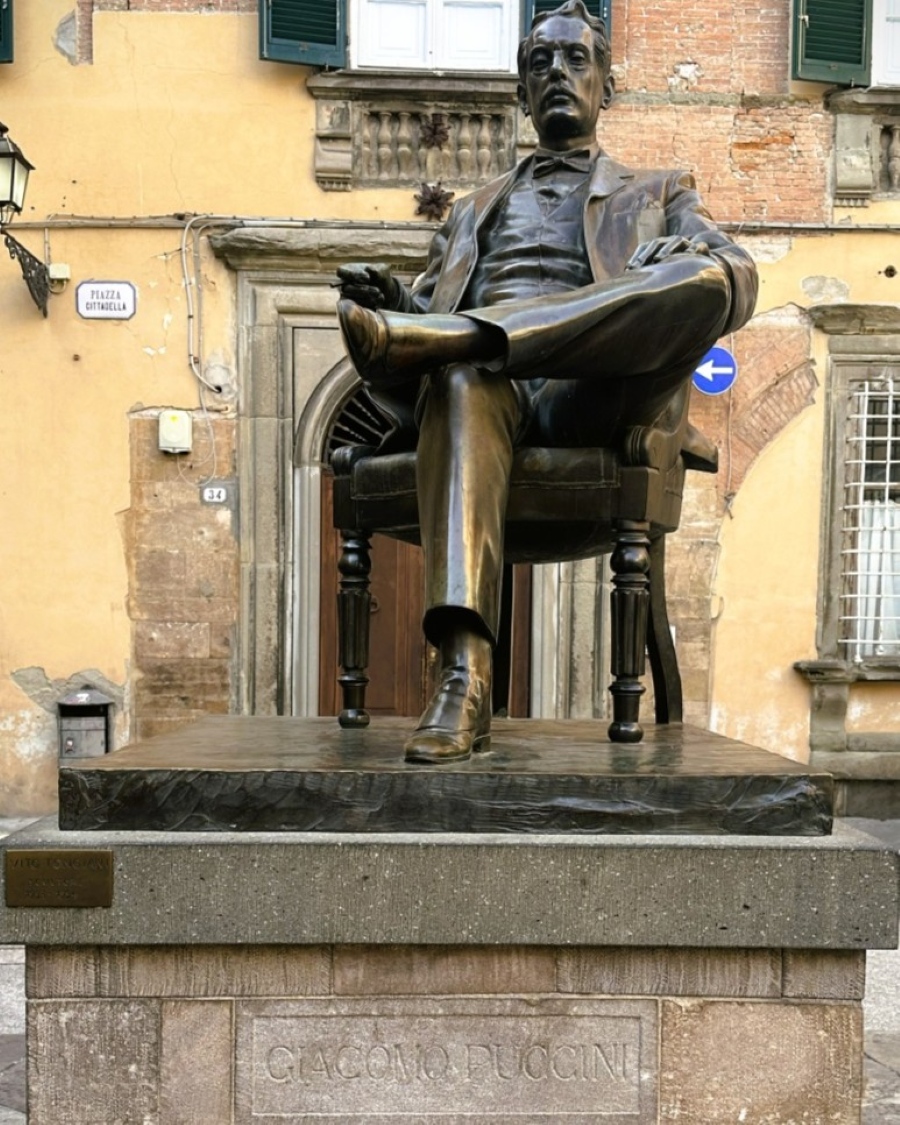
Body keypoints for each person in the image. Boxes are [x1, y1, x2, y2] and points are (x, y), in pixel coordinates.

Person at [336, 0, 757, 764]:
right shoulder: (470, 212)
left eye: (575, 61)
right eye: (539, 65)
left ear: (606, 85)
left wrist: (671, 268)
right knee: (464, 374)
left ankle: (467, 338)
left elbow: (735, 277)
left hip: (598, 394)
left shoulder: (659, 191)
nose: (557, 75)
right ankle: (465, 678)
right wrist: (392, 305)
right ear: (522, 95)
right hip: (491, 398)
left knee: (703, 279)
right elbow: (422, 312)